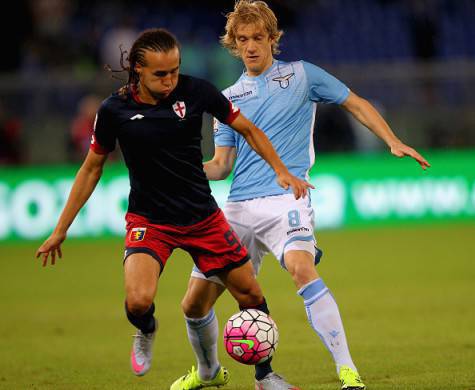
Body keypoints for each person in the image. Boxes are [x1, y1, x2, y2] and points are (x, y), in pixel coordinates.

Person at [172, 2, 431, 390]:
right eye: (242, 40)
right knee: (193, 304)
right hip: (238, 208)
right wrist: (181, 168)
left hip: (286, 199)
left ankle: (348, 371)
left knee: (301, 268)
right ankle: (208, 371)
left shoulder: (302, 75)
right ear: (234, 44)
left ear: (273, 39)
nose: (251, 47)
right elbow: (221, 165)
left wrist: (392, 141)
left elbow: (355, 102)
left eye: (258, 38)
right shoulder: (226, 97)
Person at [35, 28, 312, 382]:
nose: (170, 81)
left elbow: (248, 129)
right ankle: (146, 329)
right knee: (138, 300)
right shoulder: (113, 111)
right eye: (160, 74)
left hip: (202, 217)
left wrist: (280, 170)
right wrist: (60, 230)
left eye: (175, 71)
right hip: (150, 221)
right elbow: (91, 168)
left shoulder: (197, 92)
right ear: (137, 69)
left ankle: (265, 376)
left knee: (251, 293)